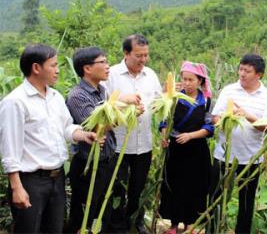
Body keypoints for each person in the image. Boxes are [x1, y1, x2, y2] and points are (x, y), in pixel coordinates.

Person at [0, 43, 97, 233]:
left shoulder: (55, 97)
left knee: (54, 229)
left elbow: (66, 127)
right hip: (30, 181)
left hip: (57, 177)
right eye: (53, 65)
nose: (57, 71)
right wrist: (16, 188)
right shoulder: (15, 102)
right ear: (36, 68)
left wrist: (83, 135)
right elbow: (9, 147)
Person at [210, 54, 267, 233]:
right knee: (215, 198)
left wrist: (247, 115)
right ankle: (213, 229)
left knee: (246, 203)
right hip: (223, 155)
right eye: (240, 69)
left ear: (259, 74)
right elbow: (215, 117)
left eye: (247, 71)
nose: (242, 73)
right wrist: (224, 119)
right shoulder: (229, 90)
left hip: (251, 159)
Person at [106, 34, 162, 234]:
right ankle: (117, 225)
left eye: (146, 55)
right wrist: (125, 105)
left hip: (144, 144)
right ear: (126, 53)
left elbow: (158, 102)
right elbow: (105, 106)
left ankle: (135, 221)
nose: (143, 59)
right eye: (138, 55)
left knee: (137, 187)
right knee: (117, 188)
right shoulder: (111, 75)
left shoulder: (151, 75)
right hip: (118, 145)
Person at [66, 47, 116, 233]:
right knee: (84, 215)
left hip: (105, 162)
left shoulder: (102, 90)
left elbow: (111, 120)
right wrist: (123, 109)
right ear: (87, 68)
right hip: (88, 165)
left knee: (101, 212)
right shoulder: (77, 96)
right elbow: (97, 127)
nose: (107, 66)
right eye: (102, 62)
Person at [160, 61, 214, 234]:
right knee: (174, 185)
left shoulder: (206, 101)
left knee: (195, 186)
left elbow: (209, 127)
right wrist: (164, 136)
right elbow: (165, 121)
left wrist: (191, 135)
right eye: (184, 79)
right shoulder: (174, 98)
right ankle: (174, 224)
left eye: (191, 80)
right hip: (176, 149)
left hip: (197, 150)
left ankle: (191, 224)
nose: (187, 83)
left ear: (200, 81)